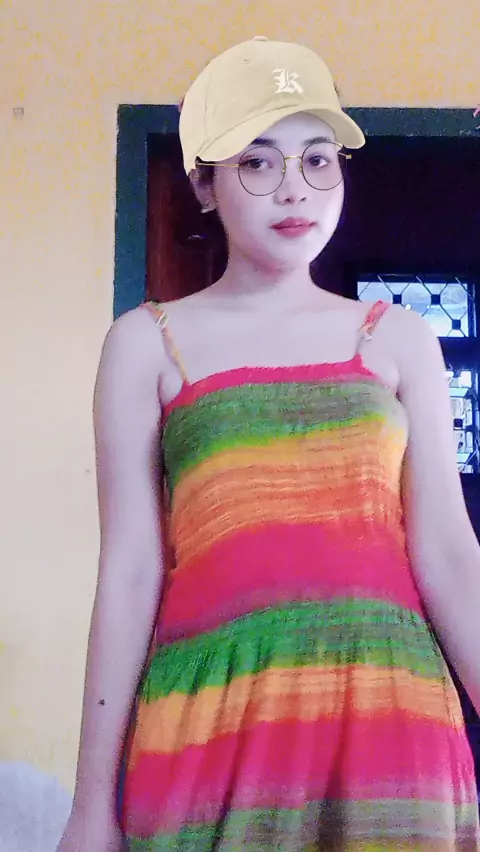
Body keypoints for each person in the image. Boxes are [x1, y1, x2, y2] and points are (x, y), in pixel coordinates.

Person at [57, 37, 480, 852]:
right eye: (257, 162)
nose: (295, 188)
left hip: (389, 719)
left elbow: (450, 557)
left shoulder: (400, 338)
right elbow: (131, 573)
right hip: (214, 722)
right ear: (203, 184)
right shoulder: (147, 343)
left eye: (318, 159)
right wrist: (90, 806)